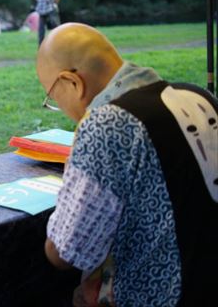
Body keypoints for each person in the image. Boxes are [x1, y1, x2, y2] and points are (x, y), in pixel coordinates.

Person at [37, 23, 218, 306]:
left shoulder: (107, 124)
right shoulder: (199, 96)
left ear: (73, 82)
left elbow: (66, 252)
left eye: (52, 97)